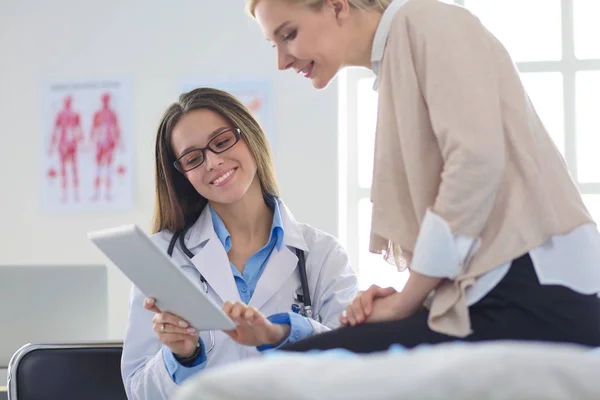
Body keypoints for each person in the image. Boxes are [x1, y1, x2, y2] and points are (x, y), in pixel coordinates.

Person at [247, 0, 600, 352]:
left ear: (337, 7)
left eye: (289, 35)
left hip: (535, 286)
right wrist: (412, 297)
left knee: (303, 362)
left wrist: (407, 301)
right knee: (312, 355)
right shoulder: (396, 60)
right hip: (489, 289)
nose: (282, 60)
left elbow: (474, 163)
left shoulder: (427, 22)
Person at [121, 87, 358, 399]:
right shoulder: (162, 256)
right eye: (194, 158)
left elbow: (354, 369)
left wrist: (285, 333)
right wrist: (181, 357)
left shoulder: (322, 254)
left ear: (250, 136)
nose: (213, 162)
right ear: (183, 175)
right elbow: (138, 391)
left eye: (221, 142)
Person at [90, 92, 122, 202]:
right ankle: (96, 192)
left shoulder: (112, 114)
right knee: (98, 169)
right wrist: (91, 142)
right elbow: (93, 129)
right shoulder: (97, 114)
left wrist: (120, 143)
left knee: (108, 169)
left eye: (106, 99)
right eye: (104, 99)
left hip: (109, 144)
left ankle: (108, 193)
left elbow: (116, 129)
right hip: (100, 144)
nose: (105, 101)